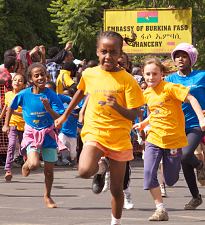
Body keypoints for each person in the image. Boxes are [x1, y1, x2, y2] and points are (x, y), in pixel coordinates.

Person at [54, 30, 144, 225]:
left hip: (119, 137)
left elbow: (133, 114)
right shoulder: (89, 73)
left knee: (117, 189)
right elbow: (79, 92)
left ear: (120, 54)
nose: (108, 56)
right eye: (104, 51)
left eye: (113, 52)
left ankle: (116, 221)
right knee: (84, 171)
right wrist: (64, 115)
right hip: (95, 131)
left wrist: (117, 107)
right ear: (97, 52)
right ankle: (102, 167)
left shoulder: (127, 80)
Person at [134, 57, 205, 221]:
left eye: (154, 74)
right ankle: (160, 209)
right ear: (143, 75)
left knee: (170, 179)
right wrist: (143, 124)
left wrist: (201, 119)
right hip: (154, 138)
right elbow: (155, 112)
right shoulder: (146, 93)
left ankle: (199, 165)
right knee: (148, 174)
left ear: (162, 74)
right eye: (147, 74)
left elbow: (192, 99)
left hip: (173, 140)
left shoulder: (170, 87)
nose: (151, 77)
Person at [165, 43, 205, 210]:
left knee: (186, 154)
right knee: (184, 161)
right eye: (177, 56)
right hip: (177, 124)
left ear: (191, 58)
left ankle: (200, 165)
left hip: (198, 123)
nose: (180, 59)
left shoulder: (203, 76)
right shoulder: (170, 79)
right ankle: (196, 197)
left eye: (184, 56)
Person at [4, 63, 65, 208]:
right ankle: (27, 163)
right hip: (32, 133)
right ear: (30, 79)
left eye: (42, 74)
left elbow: (59, 118)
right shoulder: (23, 94)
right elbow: (10, 108)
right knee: (34, 165)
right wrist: (6, 124)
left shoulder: (52, 95)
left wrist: (48, 108)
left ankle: (48, 196)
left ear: (46, 75)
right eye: (36, 75)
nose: (40, 78)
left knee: (49, 172)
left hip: (49, 133)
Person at [0, 73, 27, 181]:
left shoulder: (25, 95)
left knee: (23, 148)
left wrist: (14, 113)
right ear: (12, 82)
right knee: (11, 145)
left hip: (24, 125)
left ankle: (26, 160)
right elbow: (6, 107)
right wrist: (1, 118)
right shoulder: (8, 95)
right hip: (12, 124)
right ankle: (8, 170)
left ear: (24, 85)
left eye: (20, 80)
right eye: (15, 80)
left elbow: (26, 113)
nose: (17, 82)